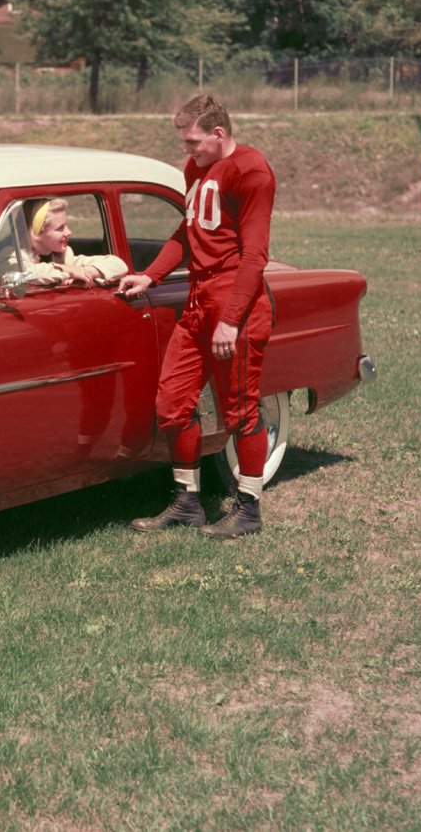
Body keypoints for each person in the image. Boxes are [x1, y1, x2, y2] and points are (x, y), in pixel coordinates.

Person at [117, 94, 276, 539]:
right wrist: (150, 275)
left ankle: (248, 509)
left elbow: (254, 253)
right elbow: (186, 232)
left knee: (240, 411)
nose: (188, 151)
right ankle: (188, 502)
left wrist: (231, 318)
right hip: (197, 298)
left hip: (234, 304)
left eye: (193, 142)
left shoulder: (252, 169)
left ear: (219, 134)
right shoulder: (195, 170)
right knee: (172, 403)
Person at [21, 198, 128, 284]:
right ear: (37, 232)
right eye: (60, 228)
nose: (69, 232)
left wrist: (86, 271)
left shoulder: (63, 255)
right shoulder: (12, 255)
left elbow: (119, 265)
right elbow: (26, 274)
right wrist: (69, 271)